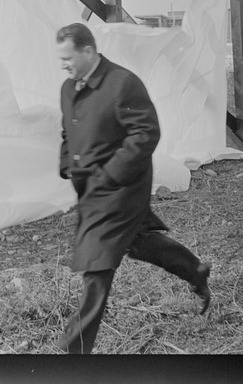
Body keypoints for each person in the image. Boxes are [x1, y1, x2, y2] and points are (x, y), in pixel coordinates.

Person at [55, 23, 211, 354]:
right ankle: (195, 270)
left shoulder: (123, 83)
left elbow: (145, 133)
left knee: (97, 267)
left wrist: (110, 174)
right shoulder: (68, 89)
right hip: (92, 192)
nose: (64, 65)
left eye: (68, 58)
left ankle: (73, 353)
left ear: (88, 51)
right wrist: (67, 163)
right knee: (140, 243)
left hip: (121, 189)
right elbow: (68, 132)